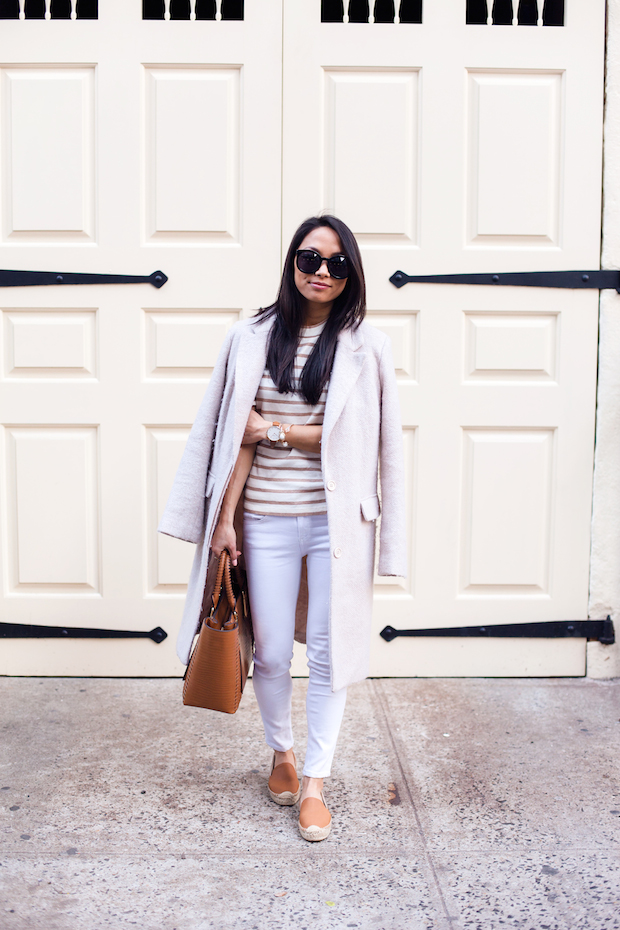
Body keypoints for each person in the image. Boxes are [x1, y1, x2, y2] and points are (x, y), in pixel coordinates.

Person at [158, 215, 406, 842]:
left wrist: (276, 430)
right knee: (268, 651)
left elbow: (377, 446)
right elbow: (222, 432)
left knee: (328, 652)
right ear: (291, 263)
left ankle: (316, 782)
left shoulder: (366, 345)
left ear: (351, 273)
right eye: (309, 259)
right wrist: (220, 522)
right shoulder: (249, 337)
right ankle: (282, 753)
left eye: (336, 263)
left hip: (336, 525)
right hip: (262, 517)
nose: (321, 272)